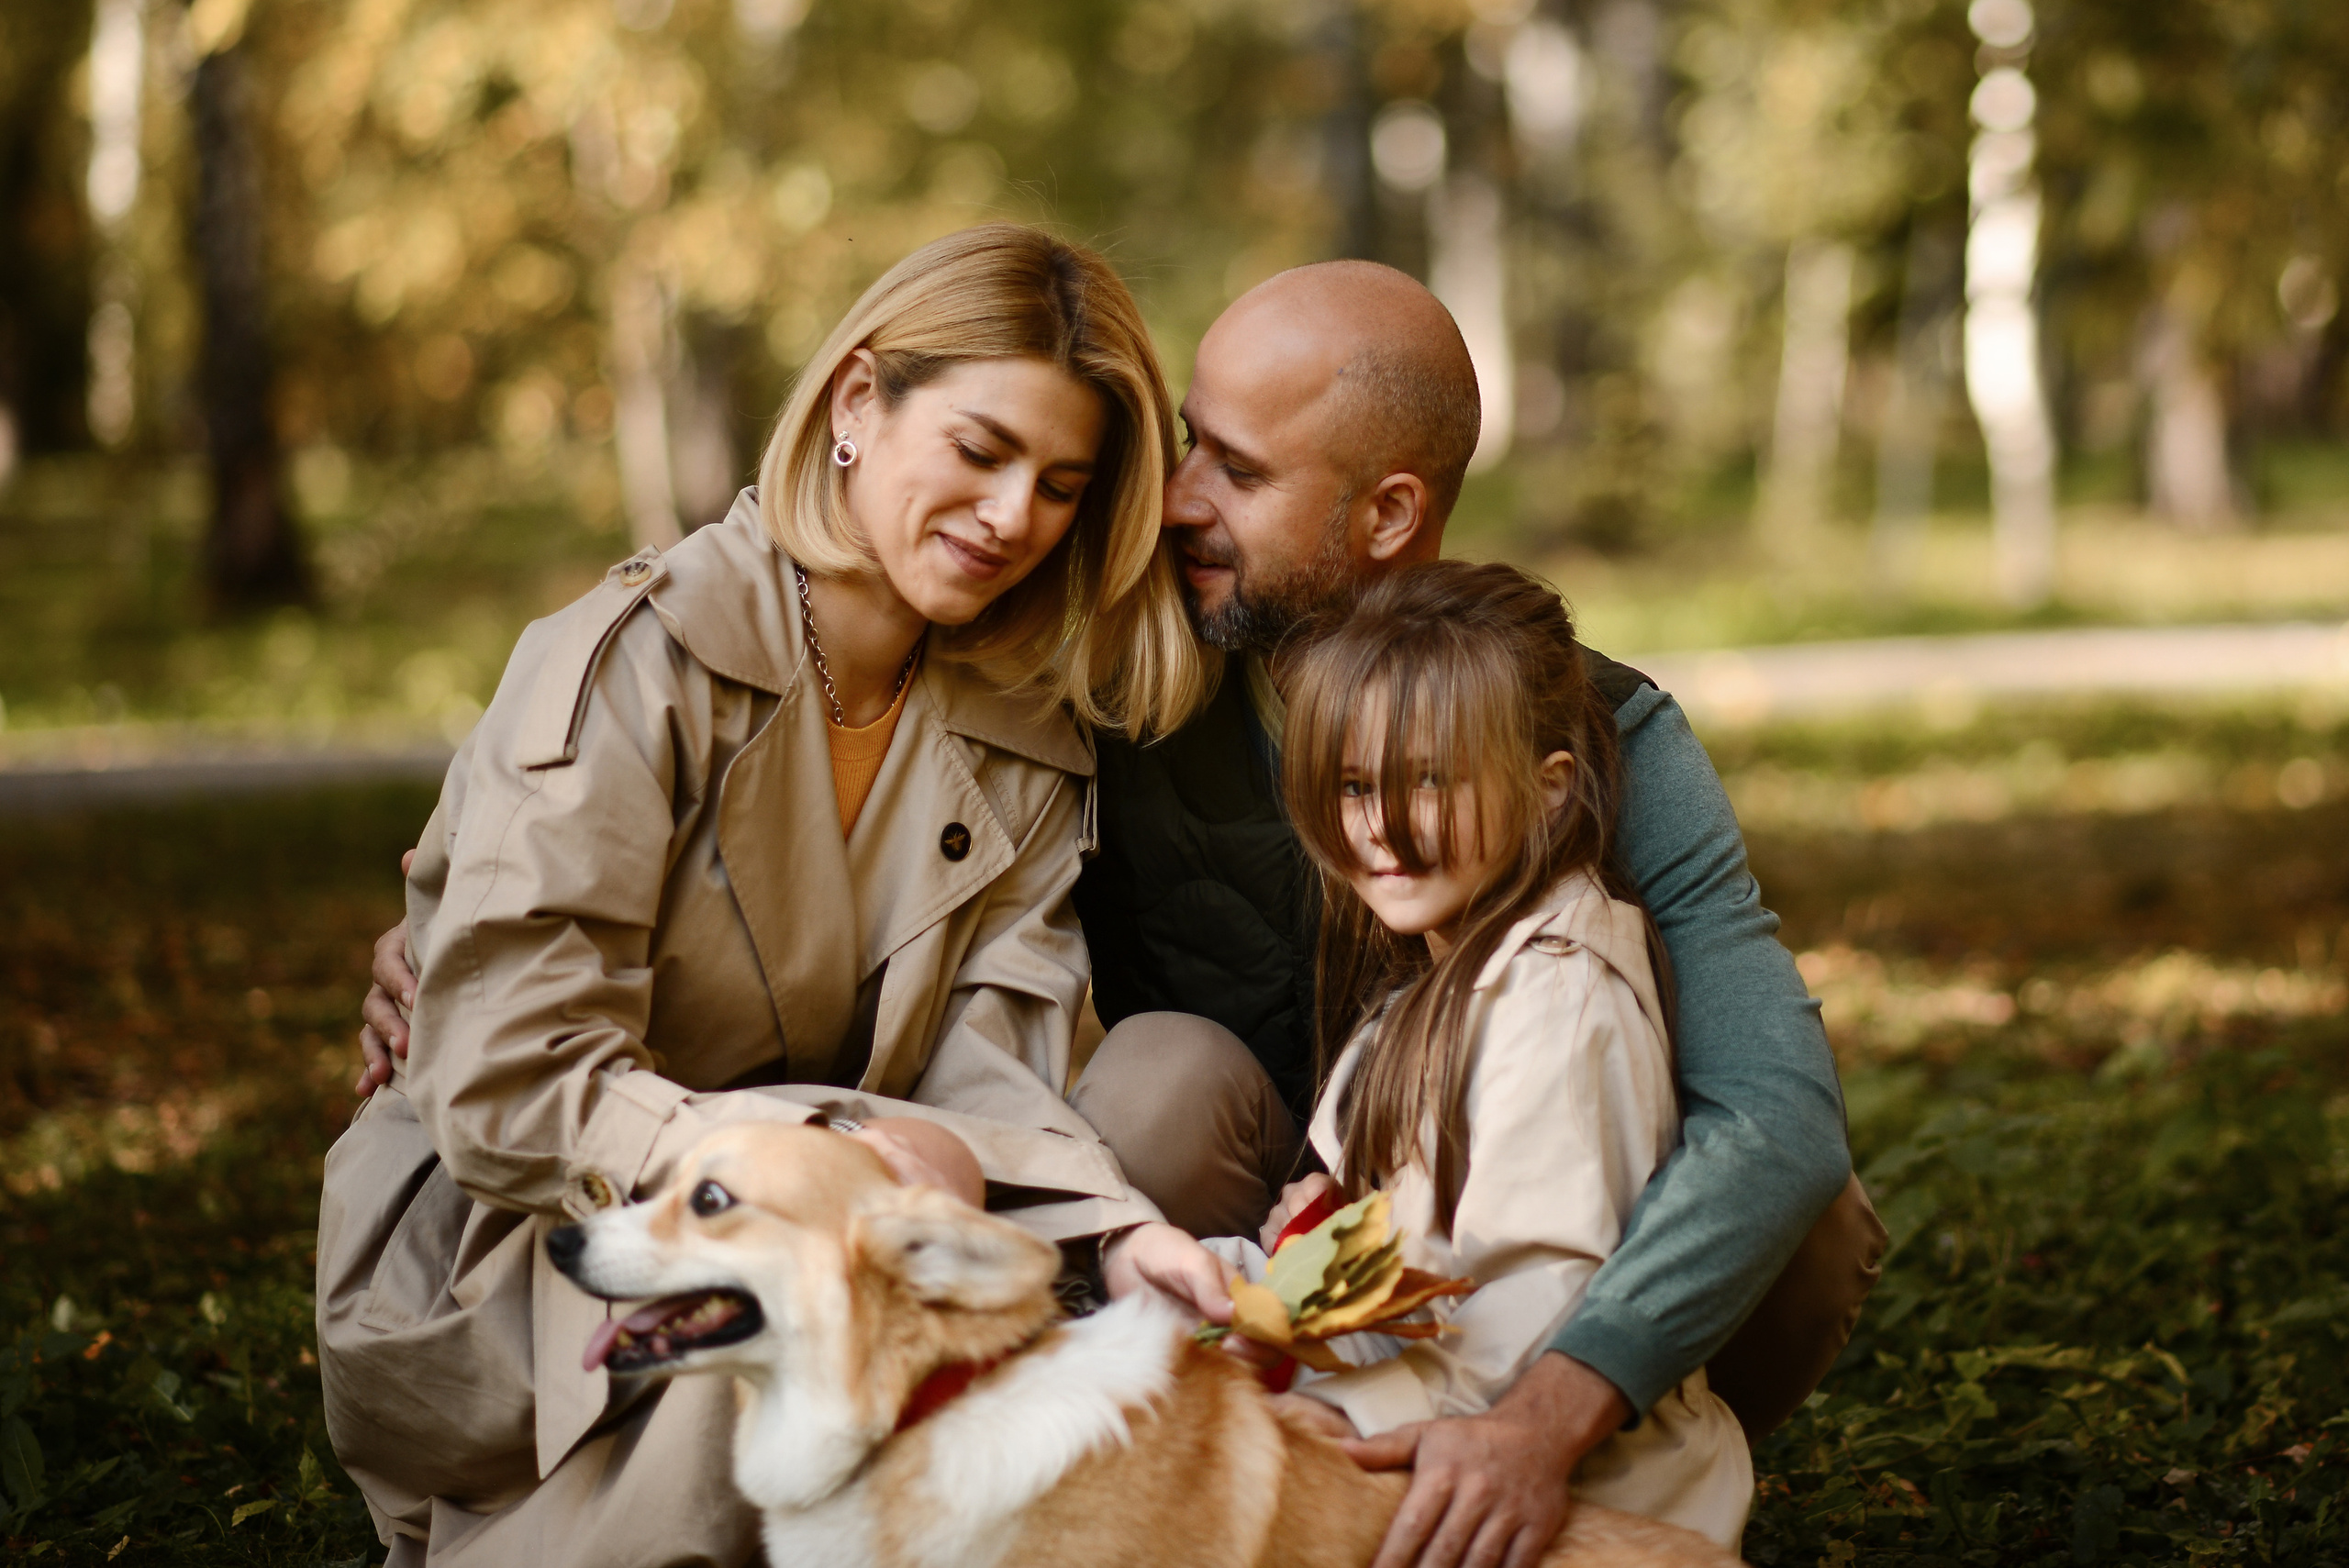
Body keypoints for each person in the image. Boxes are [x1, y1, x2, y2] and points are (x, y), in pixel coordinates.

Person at [362, 259, 1884, 1568]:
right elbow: (839, 790)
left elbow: (1774, 1113)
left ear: (1388, 512)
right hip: (1273, 1204)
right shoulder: (1124, 666)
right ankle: (1250, 1458)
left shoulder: (1589, 728)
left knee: (1797, 1219)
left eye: (1234, 468)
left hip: (1510, 1178)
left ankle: (1580, 1471)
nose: (1174, 499)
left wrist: (1545, 1416)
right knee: (1154, 1078)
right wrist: (457, 915)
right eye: (1178, 445)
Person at [317, 224, 1205, 1568]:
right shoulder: (637, 664)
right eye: (979, 450)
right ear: (856, 403)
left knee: (1156, 1110)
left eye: (1059, 486)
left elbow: (990, 1066)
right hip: (532, 1240)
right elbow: (507, 1078)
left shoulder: (1025, 734)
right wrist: (826, 1153)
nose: (1012, 515)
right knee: (812, 1311)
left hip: (840, 1222)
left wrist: (1116, 1230)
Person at [1182, 561, 1753, 1549]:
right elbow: (1429, 1261)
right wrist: (1225, 1279)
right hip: (1436, 1399)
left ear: (1548, 792)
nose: (1382, 826)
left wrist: (1325, 1407)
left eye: (1430, 780)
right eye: (1354, 784)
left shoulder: (1557, 997)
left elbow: (1537, 1303)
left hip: (1594, 1507)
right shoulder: (1443, 974)